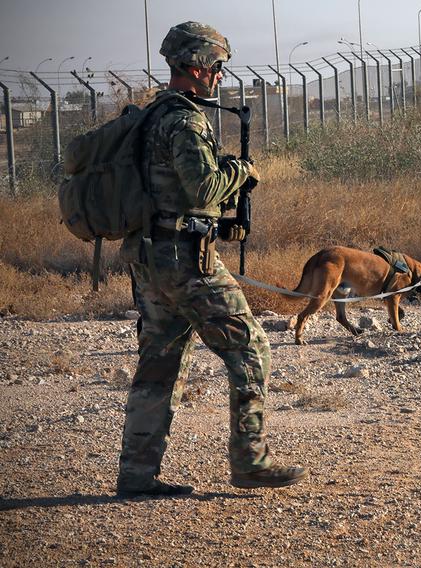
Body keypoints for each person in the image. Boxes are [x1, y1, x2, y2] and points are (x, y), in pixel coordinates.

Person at [116, 21, 304, 497]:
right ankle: (250, 459)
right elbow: (201, 186)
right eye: (217, 66)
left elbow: (170, 193)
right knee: (250, 346)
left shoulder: (152, 115)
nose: (220, 75)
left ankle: (136, 476)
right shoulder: (185, 120)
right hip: (186, 260)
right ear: (197, 65)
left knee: (158, 365)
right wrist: (241, 172)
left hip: (149, 257)